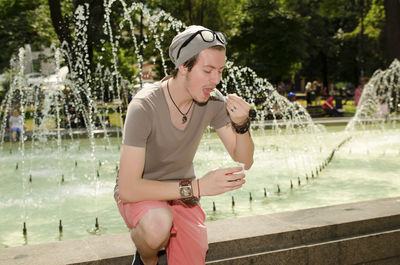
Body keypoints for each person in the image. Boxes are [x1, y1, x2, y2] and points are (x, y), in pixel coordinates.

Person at [114, 25, 254, 265]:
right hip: (143, 193)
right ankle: (148, 257)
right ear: (183, 66)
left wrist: (242, 124)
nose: (216, 80)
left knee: (192, 254)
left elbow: (244, 160)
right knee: (157, 224)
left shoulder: (213, 102)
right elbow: (128, 189)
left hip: (183, 196)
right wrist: (198, 187)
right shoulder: (144, 106)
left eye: (220, 71)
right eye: (208, 70)